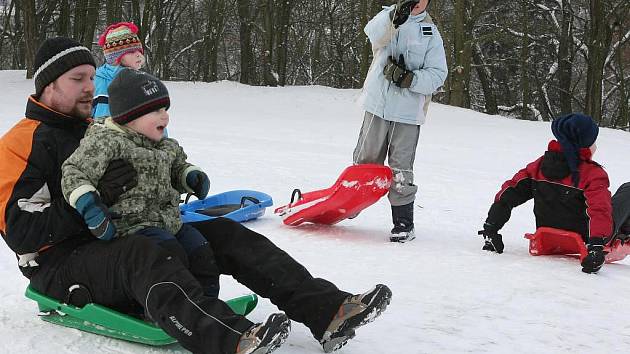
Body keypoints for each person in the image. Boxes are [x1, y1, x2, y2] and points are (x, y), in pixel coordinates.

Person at [0, 37, 392, 354]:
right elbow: (20, 234)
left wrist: (176, 178)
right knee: (144, 254)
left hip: (125, 232)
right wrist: (92, 202)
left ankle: (328, 311)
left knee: (222, 233)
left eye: (90, 77)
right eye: (78, 79)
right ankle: (230, 341)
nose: (90, 87)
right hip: (62, 265)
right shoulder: (19, 144)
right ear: (48, 84)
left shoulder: (102, 129)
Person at [61, 68, 219, 297]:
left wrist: (189, 176)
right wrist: (90, 206)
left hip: (167, 222)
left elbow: (176, 166)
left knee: (200, 251)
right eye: (156, 110)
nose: (165, 116)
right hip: (131, 228)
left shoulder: (165, 144)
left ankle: (206, 304)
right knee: (167, 255)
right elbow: (74, 172)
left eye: (165, 108)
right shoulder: (106, 142)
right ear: (130, 116)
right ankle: (166, 307)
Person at [354, 0, 448, 242]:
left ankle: (403, 222)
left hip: (408, 111)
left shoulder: (430, 33)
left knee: (401, 169)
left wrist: (410, 79)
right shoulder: (386, 17)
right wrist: (394, 17)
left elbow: (438, 74)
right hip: (377, 104)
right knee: (366, 158)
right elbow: (372, 34)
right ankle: (351, 201)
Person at [478, 113, 612, 274]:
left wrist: (491, 228)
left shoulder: (539, 166)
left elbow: (509, 194)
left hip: (546, 237)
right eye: (593, 141)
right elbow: (600, 210)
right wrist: (596, 247)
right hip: (585, 240)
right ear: (585, 144)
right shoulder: (593, 174)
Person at [92, 22, 146, 120]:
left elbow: (154, 117)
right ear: (116, 57)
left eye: (139, 50)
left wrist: (160, 135)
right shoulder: (98, 82)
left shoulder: (143, 82)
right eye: (131, 52)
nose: (138, 55)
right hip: (99, 133)